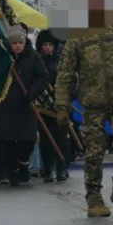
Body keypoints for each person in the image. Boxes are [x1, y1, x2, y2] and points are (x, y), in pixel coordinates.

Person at [55, 5, 113, 218]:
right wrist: (61, 104)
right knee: (94, 152)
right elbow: (66, 73)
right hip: (93, 104)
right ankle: (94, 197)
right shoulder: (78, 36)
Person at [0, 24, 48, 185]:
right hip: (6, 105)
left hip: (26, 106)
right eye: (14, 43)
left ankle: (23, 163)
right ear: (10, 44)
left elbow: (43, 76)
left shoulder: (33, 57)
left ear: (24, 43)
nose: (17, 46)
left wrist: (34, 91)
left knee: (27, 141)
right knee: (7, 141)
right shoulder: (4, 58)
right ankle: (12, 171)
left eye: (20, 43)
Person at [35, 29, 69, 183]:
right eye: (44, 45)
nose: (47, 47)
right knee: (45, 140)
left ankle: (61, 168)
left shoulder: (62, 60)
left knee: (61, 137)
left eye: (50, 44)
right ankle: (47, 169)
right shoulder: (37, 60)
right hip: (43, 106)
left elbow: (69, 79)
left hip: (60, 104)